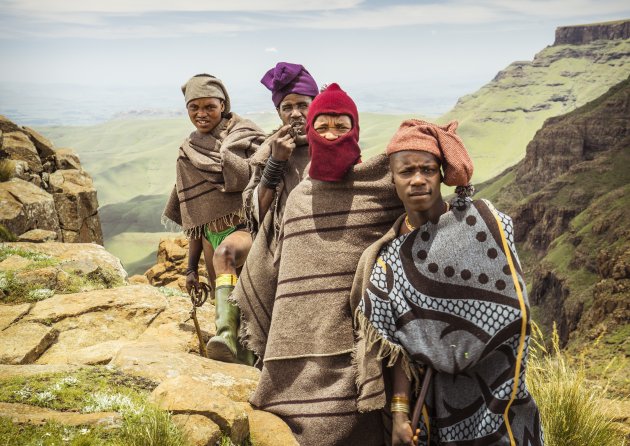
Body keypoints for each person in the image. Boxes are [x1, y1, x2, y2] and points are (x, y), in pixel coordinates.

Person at [350, 119, 544, 445]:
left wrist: (444, 349)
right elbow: (393, 345)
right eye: (406, 172)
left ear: (441, 174)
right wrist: (399, 414)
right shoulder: (388, 260)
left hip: (499, 390)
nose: (418, 180)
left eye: (427, 170)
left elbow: (515, 309)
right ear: (392, 180)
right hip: (433, 404)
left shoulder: (481, 223)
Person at [240, 83, 403, 445]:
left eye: (341, 127)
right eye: (323, 127)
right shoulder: (300, 197)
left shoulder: (381, 188)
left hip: (364, 333)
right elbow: (273, 241)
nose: (331, 136)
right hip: (304, 329)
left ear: (355, 130)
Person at [162, 74, 265, 365]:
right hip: (209, 236)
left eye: (209, 106)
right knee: (234, 309)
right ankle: (242, 364)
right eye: (193, 107)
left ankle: (226, 338)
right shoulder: (188, 151)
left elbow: (267, 179)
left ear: (223, 104)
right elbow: (194, 216)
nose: (201, 114)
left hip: (246, 229)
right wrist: (190, 269)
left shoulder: (246, 136)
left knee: (235, 271)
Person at [231, 63, 318, 361]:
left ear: (315, 106)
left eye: (303, 105)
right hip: (280, 242)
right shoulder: (270, 150)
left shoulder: (333, 145)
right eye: (287, 107)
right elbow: (256, 209)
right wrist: (277, 161)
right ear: (279, 113)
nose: (295, 113)